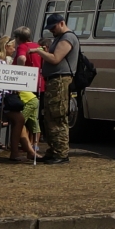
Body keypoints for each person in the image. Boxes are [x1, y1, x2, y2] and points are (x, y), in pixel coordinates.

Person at [28, 13, 79, 165]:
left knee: (58, 116)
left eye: (53, 27)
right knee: (49, 116)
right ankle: (54, 150)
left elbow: (56, 59)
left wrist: (38, 51)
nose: (51, 31)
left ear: (62, 23)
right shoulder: (60, 38)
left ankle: (61, 153)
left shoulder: (68, 38)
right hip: (54, 81)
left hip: (60, 82)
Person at [13, 26, 42, 157]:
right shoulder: (37, 46)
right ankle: (33, 145)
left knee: (21, 118)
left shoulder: (22, 46)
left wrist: (20, 73)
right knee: (34, 118)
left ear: (19, 38)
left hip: (25, 84)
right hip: (38, 83)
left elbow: (22, 59)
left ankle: (20, 147)